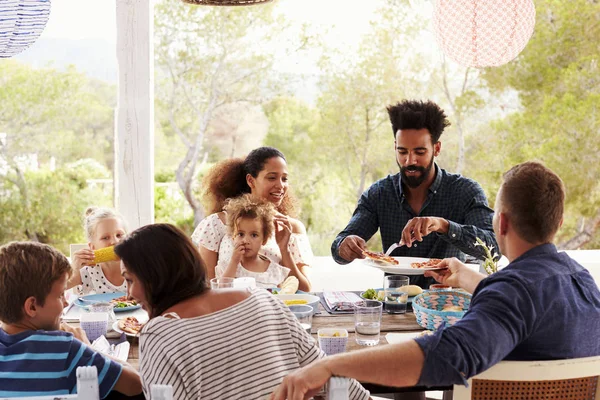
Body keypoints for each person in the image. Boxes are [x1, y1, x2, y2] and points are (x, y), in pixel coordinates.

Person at [270, 161, 600, 399]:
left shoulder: (512, 295)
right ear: (558, 223)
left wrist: (330, 367)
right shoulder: (584, 284)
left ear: (500, 223)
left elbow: (445, 357)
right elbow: (523, 305)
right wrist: (469, 278)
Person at [115, 223, 369, 400]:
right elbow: (327, 372)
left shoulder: (159, 334)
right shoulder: (262, 298)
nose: (129, 294)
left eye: (129, 279)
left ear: (155, 277)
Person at [331, 99, 497, 287]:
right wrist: (346, 245)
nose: (410, 160)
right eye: (402, 151)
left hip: (446, 307)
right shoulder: (379, 194)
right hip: (394, 305)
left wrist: (443, 226)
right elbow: (339, 248)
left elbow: (493, 249)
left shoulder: (466, 191)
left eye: (419, 152)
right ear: (395, 147)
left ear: (437, 148)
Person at [0, 241, 142, 398]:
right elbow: (136, 384)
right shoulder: (65, 349)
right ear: (32, 307)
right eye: (61, 295)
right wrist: (87, 347)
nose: (66, 302)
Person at [192, 146, 313, 291]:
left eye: (284, 179)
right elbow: (207, 288)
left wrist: (284, 249)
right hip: (230, 310)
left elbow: (305, 290)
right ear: (250, 180)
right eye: (272, 177)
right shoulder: (215, 224)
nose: (280, 185)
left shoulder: (292, 228)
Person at [218, 194, 301, 289]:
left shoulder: (274, 270)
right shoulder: (229, 266)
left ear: (264, 239)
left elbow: (281, 295)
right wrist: (234, 261)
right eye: (240, 234)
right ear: (233, 237)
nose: (246, 240)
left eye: (254, 235)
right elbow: (221, 290)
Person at [67, 206, 128, 294]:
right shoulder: (87, 272)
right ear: (92, 247)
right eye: (105, 238)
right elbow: (50, 290)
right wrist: (72, 269)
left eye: (119, 235)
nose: (115, 241)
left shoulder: (137, 268)